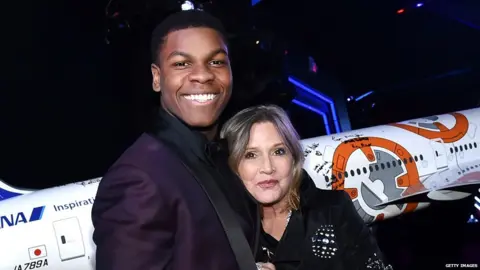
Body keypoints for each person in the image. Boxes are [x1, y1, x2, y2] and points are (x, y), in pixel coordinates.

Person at [91, 10, 267, 270]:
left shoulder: (226, 153)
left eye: (216, 62)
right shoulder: (138, 177)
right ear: (156, 77)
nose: (203, 75)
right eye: (182, 64)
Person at [220, 104, 393, 270]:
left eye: (278, 151)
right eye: (251, 155)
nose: (267, 167)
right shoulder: (225, 226)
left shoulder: (332, 208)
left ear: (294, 158)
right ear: (232, 165)